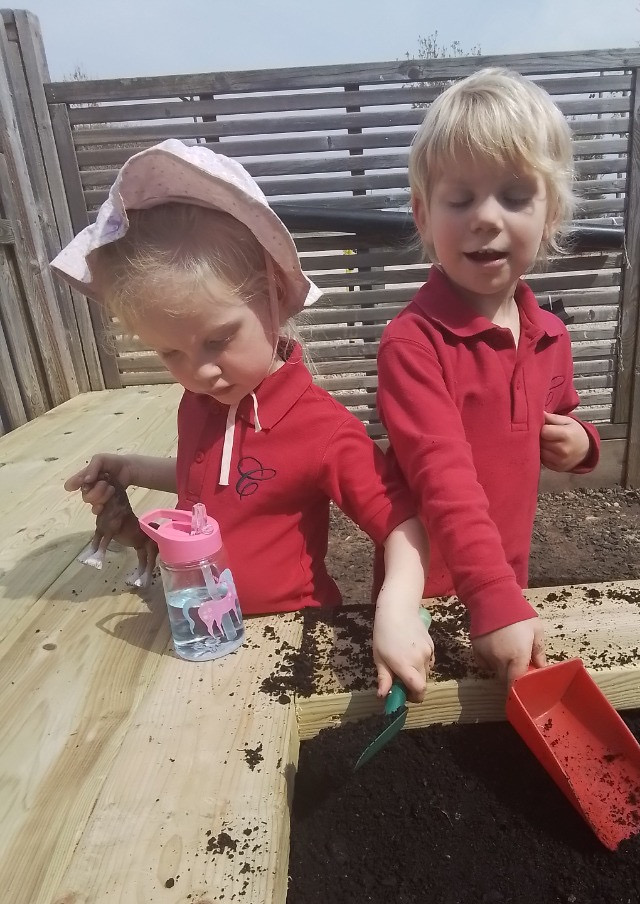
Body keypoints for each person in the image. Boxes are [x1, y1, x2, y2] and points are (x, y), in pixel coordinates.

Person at [55, 139, 433, 699]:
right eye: (171, 354)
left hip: (291, 649)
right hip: (198, 635)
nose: (200, 372)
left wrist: (397, 607)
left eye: (218, 340)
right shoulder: (202, 404)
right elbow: (211, 481)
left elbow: (404, 525)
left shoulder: (322, 431)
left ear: (274, 296)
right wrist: (132, 468)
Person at [375, 69, 600, 688]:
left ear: (550, 213)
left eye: (514, 195)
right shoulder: (413, 344)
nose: (486, 218)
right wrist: (491, 599)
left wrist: (582, 444)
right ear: (424, 216)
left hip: (505, 586)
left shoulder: (549, 334)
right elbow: (441, 478)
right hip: (429, 599)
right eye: (460, 199)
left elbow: (561, 415)